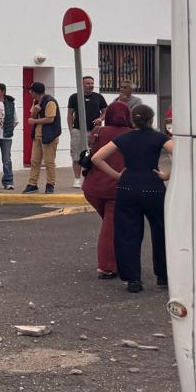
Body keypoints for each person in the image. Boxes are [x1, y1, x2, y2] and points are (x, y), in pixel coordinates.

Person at [89, 103, 173, 294]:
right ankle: (163, 275)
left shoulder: (124, 138)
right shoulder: (158, 137)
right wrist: (168, 174)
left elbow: (96, 158)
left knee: (128, 234)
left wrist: (118, 175)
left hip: (127, 187)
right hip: (153, 187)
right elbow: (181, 152)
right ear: (151, 120)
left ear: (132, 120)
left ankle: (133, 279)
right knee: (161, 231)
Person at [81, 102, 132, 279]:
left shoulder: (98, 132)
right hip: (115, 188)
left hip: (92, 187)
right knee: (111, 228)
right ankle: (107, 266)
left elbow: (92, 150)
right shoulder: (131, 134)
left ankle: (115, 260)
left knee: (112, 225)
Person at [23, 81, 61, 194]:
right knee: (34, 161)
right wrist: (35, 112)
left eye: (31, 91)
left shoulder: (50, 102)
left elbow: (50, 119)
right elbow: (32, 116)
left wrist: (35, 120)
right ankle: (32, 184)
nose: (30, 93)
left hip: (49, 135)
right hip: (37, 135)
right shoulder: (36, 102)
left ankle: (50, 184)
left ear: (34, 92)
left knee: (49, 161)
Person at [68, 76, 106, 187]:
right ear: (82, 85)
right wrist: (71, 129)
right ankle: (77, 179)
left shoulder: (99, 97)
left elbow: (105, 111)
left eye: (92, 83)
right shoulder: (74, 97)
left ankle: (90, 178)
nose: (90, 85)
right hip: (78, 130)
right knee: (76, 155)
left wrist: (101, 119)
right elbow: (70, 114)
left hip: (94, 131)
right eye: (88, 83)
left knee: (93, 155)